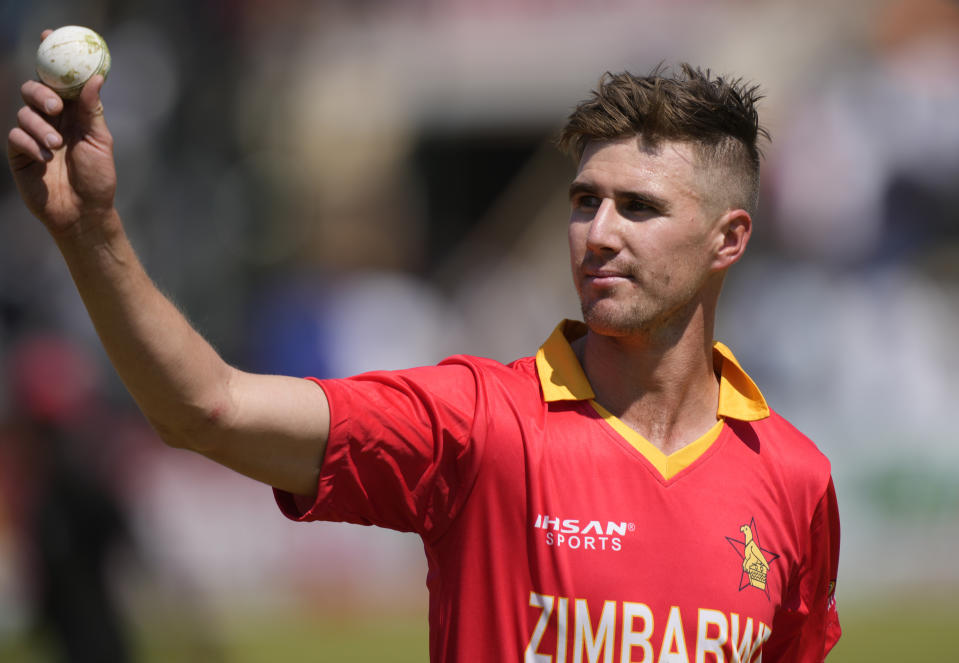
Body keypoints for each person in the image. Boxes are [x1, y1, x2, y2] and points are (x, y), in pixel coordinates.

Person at [8, 46, 841, 662]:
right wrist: (91, 234)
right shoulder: (477, 422)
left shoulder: (794, 477)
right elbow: (206, 406)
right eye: (585, 200)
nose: (599, 234)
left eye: (639, 207)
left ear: (728, 239)